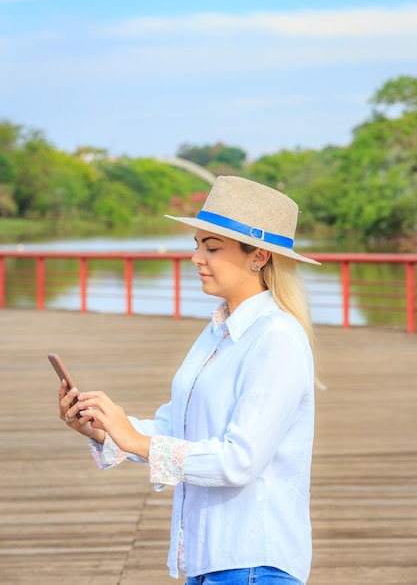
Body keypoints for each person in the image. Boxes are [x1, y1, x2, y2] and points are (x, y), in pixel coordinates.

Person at [58, 175, 320, 585]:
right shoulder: (217, 330)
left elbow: (239, 461)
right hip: (209, 559)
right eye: (196, 244)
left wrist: (137, 441)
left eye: (212, 248)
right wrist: (104, 429)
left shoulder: (277, 338)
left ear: (259, 257)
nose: (197, 257)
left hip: (253, 564)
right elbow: (176, 428)